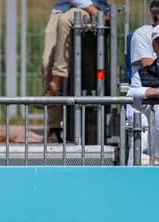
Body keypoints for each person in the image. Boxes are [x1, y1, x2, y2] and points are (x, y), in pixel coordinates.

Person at [41, 0, 109, 142]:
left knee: (66, 21)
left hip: (93, 8)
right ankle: (54, 126)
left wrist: (95, 11)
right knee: (46, 63)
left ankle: (58, 77)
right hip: (62, 9)